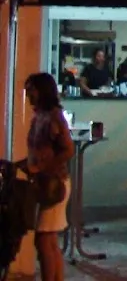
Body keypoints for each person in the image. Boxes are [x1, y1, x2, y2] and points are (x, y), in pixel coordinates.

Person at [25, 73, 74, 281]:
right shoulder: (40, 116)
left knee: (44, 240)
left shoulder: (53, 116)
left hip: (54, 183)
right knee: (49, 240)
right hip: (46, 182)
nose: (28, 94)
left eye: (31, 89)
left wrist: (42, 166)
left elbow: (67, 150)